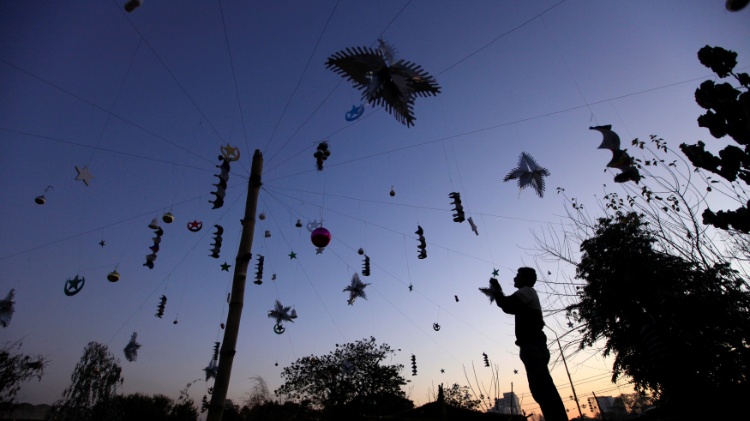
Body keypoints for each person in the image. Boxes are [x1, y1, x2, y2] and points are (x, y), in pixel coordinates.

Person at [483, 267, 568, 421]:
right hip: (533, 346)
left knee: (543, 389)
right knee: (541, 389)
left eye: (518, 276)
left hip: (533, 346)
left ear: (526, 279)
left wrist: (497, 290)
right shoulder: (527, 294)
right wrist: (497, 292)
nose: (515, 278)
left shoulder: (527, 291)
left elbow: (507, 305)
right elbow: (508, 306)